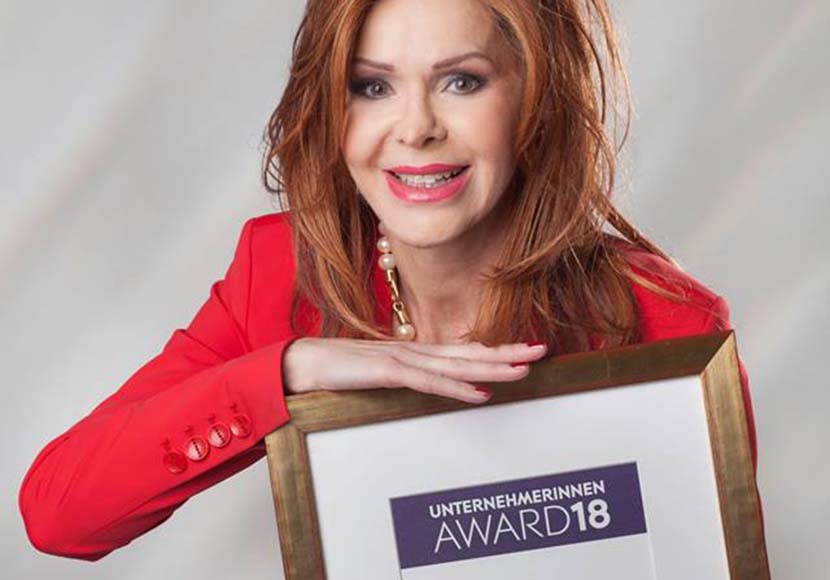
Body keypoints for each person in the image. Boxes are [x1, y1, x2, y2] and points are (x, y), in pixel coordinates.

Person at [19, 0, 761, 562]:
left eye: (462, 81)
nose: (414, 128)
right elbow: (59, 513)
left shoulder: (667, 321)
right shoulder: (281, 278)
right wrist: (287, 373)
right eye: (372, 87)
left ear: (535, 98)